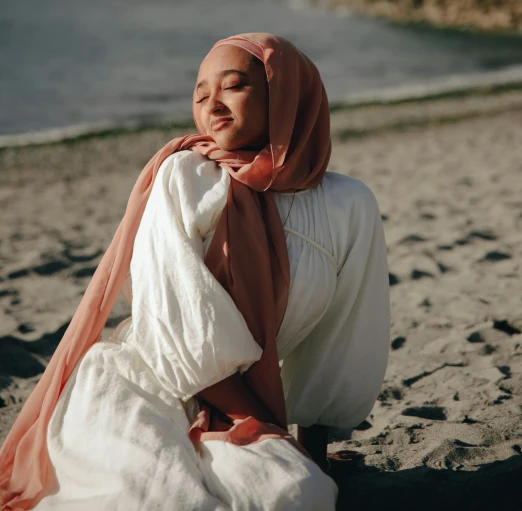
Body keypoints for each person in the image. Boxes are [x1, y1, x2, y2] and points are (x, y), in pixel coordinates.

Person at [0, 33, 390, 511]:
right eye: (201, 92)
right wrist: (264, 429)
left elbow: (343, 338)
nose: (212, 102)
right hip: (149, 388)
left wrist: (311, 453)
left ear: (287, 96)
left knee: (297, 491)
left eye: (234, 86)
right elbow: (181, 332)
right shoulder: (184, 175)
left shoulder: (350, 203)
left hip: (246, 404)